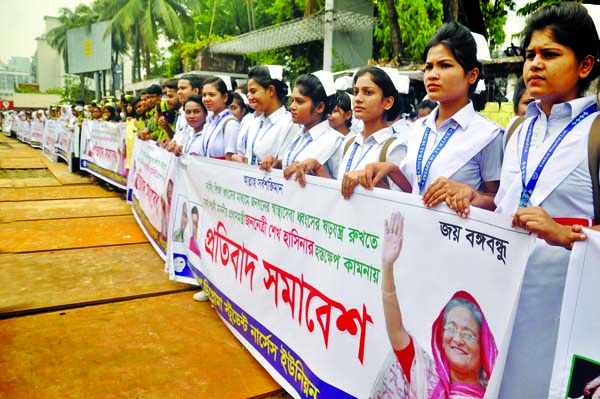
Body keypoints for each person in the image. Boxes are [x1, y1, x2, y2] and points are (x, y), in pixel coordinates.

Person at [493, 4, 600, 397]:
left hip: (564, 315)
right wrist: (472, 197)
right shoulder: (517, 131)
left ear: (585, 65)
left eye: (550, 54)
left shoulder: (595, 135)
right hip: (502, 303)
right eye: (530, 55)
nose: (535, 64)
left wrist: (564, 233)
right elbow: (506, 207)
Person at [348, 23, 503, 218]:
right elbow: (415, 193)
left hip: (457, 241)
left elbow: (500, 203)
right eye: (429, 67)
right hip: (415, 237)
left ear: (471, 75)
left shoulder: (488, 135)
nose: (432, 75)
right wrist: (391, 171)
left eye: (444, 65)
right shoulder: (418, 128)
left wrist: (473, 195)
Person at [371, 212, 497, 399]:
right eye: (451, 329)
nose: (457, 339)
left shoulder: (496, 388)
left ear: (484, 345)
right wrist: (387, 266)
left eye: (468, 334)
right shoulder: (426, 377)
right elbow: (396, 332)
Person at [285, 66, 408, 189]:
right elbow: (339, 191)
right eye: (356, 92)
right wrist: (317, 167)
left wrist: (366, 181)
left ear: (387, 102)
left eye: (368, 92)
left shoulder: (394, 147)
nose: (358, 99)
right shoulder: (350, 143)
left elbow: (401, 202)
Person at [260, 71, 343, 179]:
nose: (292, 107)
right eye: (292, 100)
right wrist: (277, 163)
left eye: (299, 101)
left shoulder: (334, 141)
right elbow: (292, 165)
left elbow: (338, 188)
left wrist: (317, 168)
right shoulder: (300, 135)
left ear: (320, 107)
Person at [241, 65, 296, 165]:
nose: (249, 95)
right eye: (248, 92)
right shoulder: (254, 122)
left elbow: (286, 163)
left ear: (271, 90)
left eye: (253, 91)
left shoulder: (289, 124)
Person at [201, 75, 240, 160]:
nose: (206, 99)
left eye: (211, 95)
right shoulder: (209, 121)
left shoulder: (230, 124)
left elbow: (230, 159)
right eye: (204, 95)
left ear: (224, 97)